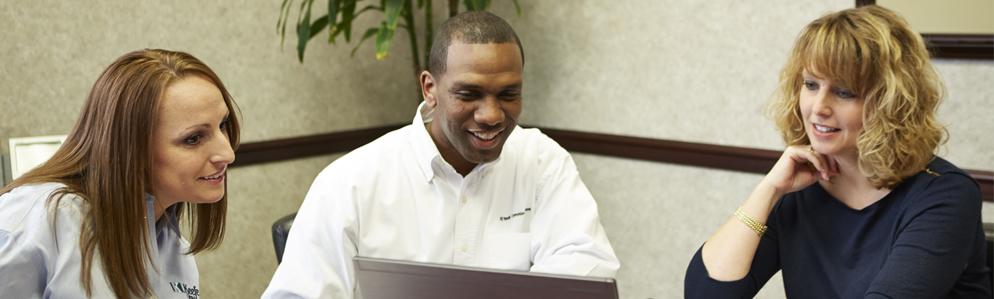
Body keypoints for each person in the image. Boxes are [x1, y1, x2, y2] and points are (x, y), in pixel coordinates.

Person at [263, 11, 619, 298]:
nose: (491, 115)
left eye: (509, 94)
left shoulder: (542, 162)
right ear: (430, 88)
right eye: (468, 94)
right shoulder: (350, 183)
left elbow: (586, 272)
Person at [684, 5, 991, 298]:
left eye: (844, 92)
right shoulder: (799, 186)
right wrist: (768, 190)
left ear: (890, 103)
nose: (818, 108)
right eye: (811, 84)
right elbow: (705, 294)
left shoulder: (946, 196)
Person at [0, 49, 240, 298]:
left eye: (223, 125)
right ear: (130, 148)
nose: (227, 154)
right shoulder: (35, 222)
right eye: (193, 139)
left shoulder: (172, 247)